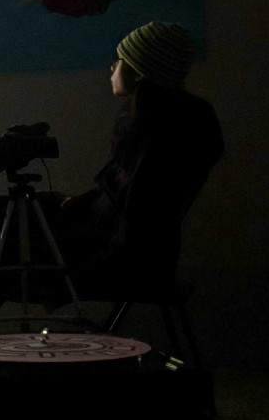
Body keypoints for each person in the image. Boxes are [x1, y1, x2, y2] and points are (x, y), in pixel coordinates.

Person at [49, 21, 222, 298]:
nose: (111, 68)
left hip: (120, 261)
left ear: (140, 73)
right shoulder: (156, 127)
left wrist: (67, 280)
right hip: (121, 248)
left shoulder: (157, 140)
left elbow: (134, 226)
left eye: (119, 61)